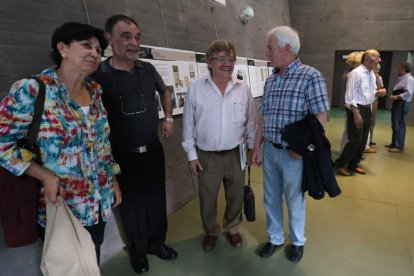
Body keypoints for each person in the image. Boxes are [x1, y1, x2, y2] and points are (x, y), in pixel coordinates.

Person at [0, 22, 121, 264]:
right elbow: (3, 144)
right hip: (60, 205)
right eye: (86, 45)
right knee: (67, 265)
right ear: (63, 48)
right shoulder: (33, 90)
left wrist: (113, 179)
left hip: (99, 201)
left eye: (99, 50)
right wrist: (44, 175)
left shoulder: (96, 93)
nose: (94, 53)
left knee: (91, 257)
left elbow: (102, 146)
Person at [91, 14, 177, 274]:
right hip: (121, 156)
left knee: (155, 200)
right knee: (131, 207)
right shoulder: (98, 75)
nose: (133, 42)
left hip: (152, 149)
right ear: (109, 39)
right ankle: (139, 252)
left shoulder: (147, 69)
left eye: (137, 37)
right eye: (126, 36)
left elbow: (165, 91)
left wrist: (169, 118)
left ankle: (157, 243)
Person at [250, 26, 329, 262]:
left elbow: (321, 117)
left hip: (294, 155)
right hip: (270, 151)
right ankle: (275, 238)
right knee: (270, 198)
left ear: (286, 49)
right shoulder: (271, 80)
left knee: (295, 200)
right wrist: (256, 146)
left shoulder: (310, 76)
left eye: (270, 48)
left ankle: (297, 241)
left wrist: (301, 150)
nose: (267, 53)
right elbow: (263, 116)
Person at [182, 39, 256, 252]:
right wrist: (191, 155)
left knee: (235, 196)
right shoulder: (196, 89)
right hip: (207, 155)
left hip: (236, 154)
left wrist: (251, 148)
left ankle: (233, 228)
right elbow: (188, 123)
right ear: (209, 62)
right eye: (221, 59)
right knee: (207, 199)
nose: (227, 63)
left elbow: (251, 121)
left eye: (231, 59)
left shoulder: (242, 89)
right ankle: (211, 231)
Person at [334, 50, 385, 176]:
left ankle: (353, 165)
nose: (379, 60)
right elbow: (350, 96)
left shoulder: (371, 74)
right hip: (356, 109)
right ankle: (340, 164)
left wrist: (377, 93)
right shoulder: (355, 74)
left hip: (368, 108)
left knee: (363, 141)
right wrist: (356, 114)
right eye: (377, 57)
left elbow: (370, 93)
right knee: (355, 139)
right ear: (367, 58)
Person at [386, 62, 414, 153]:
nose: (397, 70)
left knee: (400, 125)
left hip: (402, 103)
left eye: (399, 69)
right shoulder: (402, 78)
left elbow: (408, 92)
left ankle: (398, 146)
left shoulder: (409, 79)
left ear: (404, 70)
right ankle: (394, 143)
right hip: (398, 103)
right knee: (395, 124)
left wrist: (396, 97)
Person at [339, 51, 364, 152]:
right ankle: (344, 155)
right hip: (352, 107)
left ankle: (348, 154)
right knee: (349, 133)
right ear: (355, 62)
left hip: (353, 106)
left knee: (350, 132)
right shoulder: (350, 75)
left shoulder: (350, 73)